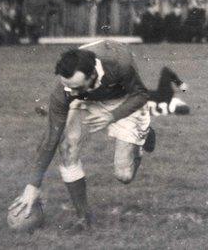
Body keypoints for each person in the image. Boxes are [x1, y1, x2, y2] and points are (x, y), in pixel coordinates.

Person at [9, 40, 155, 231]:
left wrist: (112, 116)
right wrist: (32, 185)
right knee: (67, 148)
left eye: (75, 87)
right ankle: (84, 217)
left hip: (123, 98)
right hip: (88, 98)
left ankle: (143, 139)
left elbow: (141, 94)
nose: (71, 91)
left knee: (124, 175)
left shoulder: (120, 64)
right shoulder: (66, 91)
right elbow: (50, 139)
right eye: (67, 86)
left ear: (93, 74)